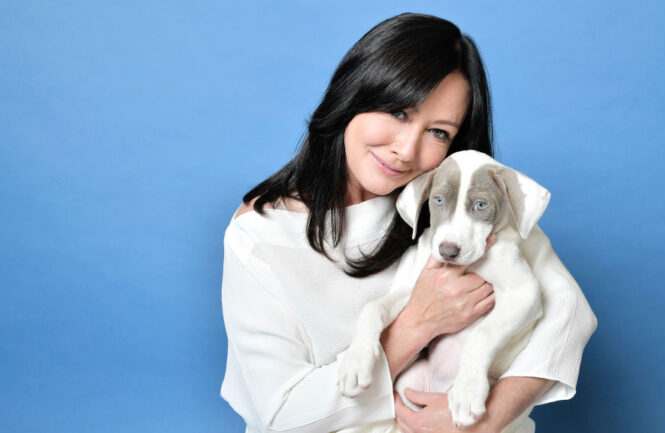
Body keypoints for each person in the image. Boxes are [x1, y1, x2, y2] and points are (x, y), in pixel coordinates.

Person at [220, 12, 597, 433]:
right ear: (353, 94)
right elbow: (281, 415)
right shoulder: (261, 234)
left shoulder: (450, 206)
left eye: (437, 132)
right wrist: (415, 325)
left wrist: (487, 418)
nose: (405, 149)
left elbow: (570, 314)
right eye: (398, 112)